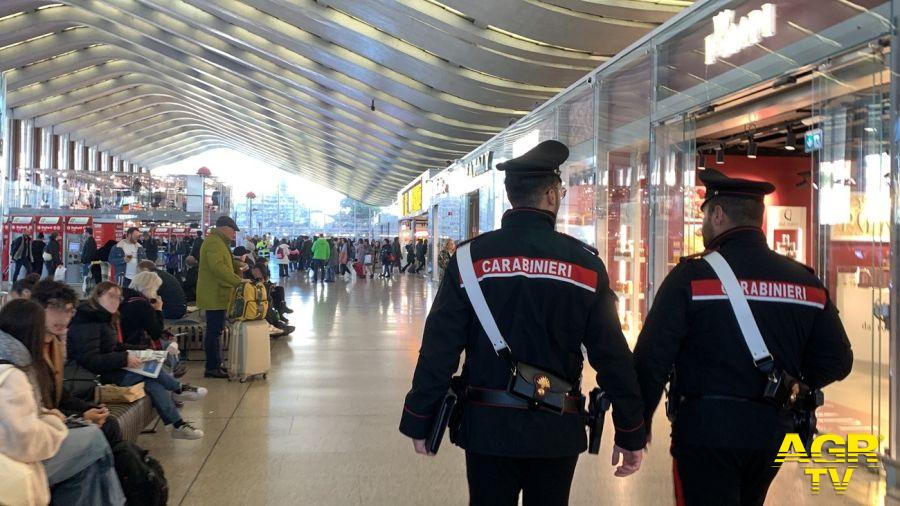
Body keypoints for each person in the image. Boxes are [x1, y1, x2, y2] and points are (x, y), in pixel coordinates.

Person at [399, 140, 646, 505]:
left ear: (510, 195)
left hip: (486, 427)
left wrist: (421, 415)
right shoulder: (584, 266)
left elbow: (440, 346)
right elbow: (611, 355)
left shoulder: (470, 260)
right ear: (549, 195)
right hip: (555, 427)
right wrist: (630, 429)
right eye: (559, 190)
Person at [633, 168, 854, 506]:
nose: (704, 222)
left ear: (718, 214)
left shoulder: (691, 277)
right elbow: (838, 360)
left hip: (704, 432)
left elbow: (652, 358)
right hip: (771, 432)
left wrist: (636, 424)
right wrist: (790, 381)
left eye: (705, 213)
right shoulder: (804, 282)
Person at [0, 299, 126, 505]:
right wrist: (57, 422)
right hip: (16, 458)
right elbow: (25, 440)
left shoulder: (24, 358)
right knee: (94, 441)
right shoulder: (14, 373)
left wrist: (80, 412)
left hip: (18, 447)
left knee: (88, 466)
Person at [67, 282, 207, 439]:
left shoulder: (105, 317)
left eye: (118, 298)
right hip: (95, 377)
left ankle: (178, 424)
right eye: (110, 296)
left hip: (109, 369)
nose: (115, 301)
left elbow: (114, 347)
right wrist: (125, 358)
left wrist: (138, 351)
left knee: (152, 381)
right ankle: (179, 391)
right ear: (98, 296)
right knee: (151, 373)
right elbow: (90, 359)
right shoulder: (88, 321)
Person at [30, 280, 124, 444]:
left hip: (57, 416)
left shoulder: (54, 344)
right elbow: (36, 409)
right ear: (38, 308)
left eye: (68, 311)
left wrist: (87, 409)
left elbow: (59, 395)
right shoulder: (28, 352)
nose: (64, 317)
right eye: (56, 308)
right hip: (41, 431)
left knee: (109, 425)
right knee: (101, 437)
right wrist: (80, 416)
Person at [197, 217, 246, 379]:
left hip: (218, 293)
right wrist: (237, 281)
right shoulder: (213, 242)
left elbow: (226, 260)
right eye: (232, 230)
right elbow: (217, 267)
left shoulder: (219, 243)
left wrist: (238, 264)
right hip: (213, 294)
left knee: (216, 331)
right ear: (224, 228)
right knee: (214, 332)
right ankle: (212, 367)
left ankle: (216, 364)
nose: (234, 234)